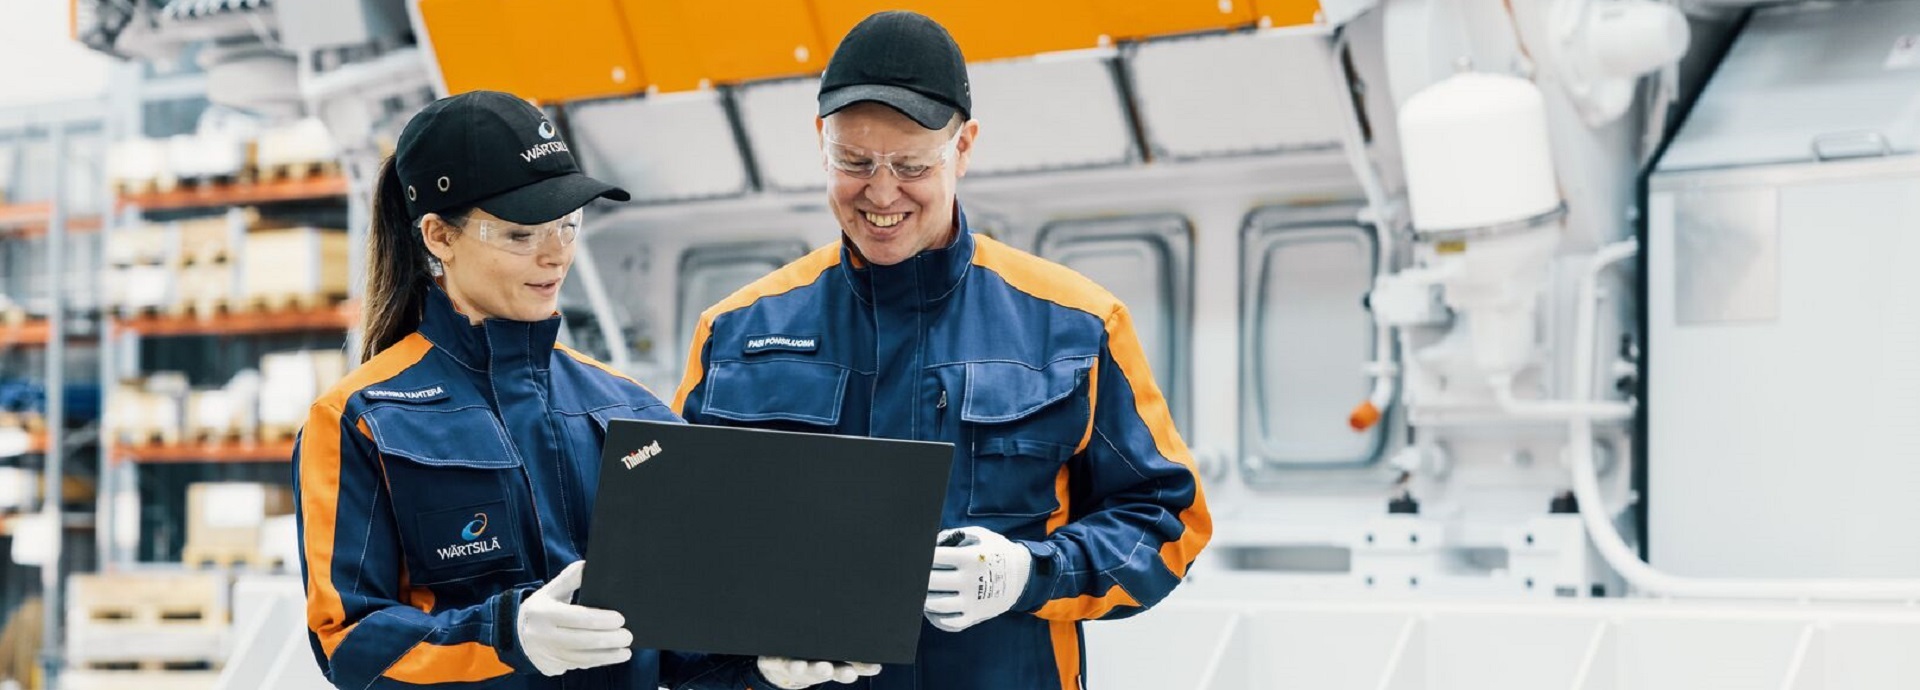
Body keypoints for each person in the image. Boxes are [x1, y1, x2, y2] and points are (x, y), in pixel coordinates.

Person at [673, 11, 1213, 690]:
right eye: (854, 162)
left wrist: (1029, 573)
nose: (881, 192)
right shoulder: (734, 333)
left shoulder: (1076, 324)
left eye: (911, 165)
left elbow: (1168, 522)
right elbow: (679, 554)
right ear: (821, 143)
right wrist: (750, 670)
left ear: (963, 149)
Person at [292, 90, 875, 690]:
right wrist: (506, 636)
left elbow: (680, 633)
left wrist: (760, 667)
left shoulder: (631, 410)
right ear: (439, 236)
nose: (555, 256)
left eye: (567, 226)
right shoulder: (361, 420)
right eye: (521, 236)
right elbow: (350, 645)